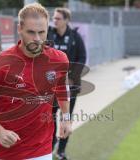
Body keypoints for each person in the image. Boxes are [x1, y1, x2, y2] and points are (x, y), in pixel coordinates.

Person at [0, 3, 72, 160]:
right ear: (20, 29)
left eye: (42, 32)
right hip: (5, 153)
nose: (37, 39)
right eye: (31, 32)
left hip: (42, 150)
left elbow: (62, 87)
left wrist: (66, 117)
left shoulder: (59, 59)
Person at [47, 7, 87, 160]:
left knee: (66, 117)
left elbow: (82, 58)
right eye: (54, 18)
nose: (55, 21)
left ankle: (61, 151)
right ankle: (50, 146)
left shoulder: (75, 37)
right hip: (50, 86)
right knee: (50, 117)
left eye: (58, 18)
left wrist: (72, 75)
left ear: (66, 20)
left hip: (70, 85)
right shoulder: (49, 34)